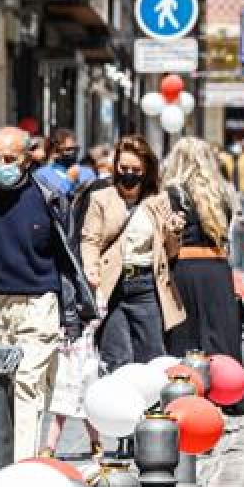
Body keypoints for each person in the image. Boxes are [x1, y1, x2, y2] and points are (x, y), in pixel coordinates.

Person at [0, 126, 96, 460]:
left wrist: (72, 316)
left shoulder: (50, 198)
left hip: (38, 303)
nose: (2, 165)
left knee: (27, 384)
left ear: (27, 160)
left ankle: (20, 468)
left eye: (10, 158)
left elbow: (69, 258)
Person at [163, 138, 244, 414]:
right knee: (219, 335)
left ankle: (189, 396)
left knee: (186, 336)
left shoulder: (172, 193)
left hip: (185, 268)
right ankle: (228, 394)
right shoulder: (221, 193)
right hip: (217, 268)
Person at [81, 135, 186, 373]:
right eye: (123, 167)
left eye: (135, 169)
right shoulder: (102, 198)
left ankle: (150, 409)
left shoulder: (159, 201)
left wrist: (174, 232)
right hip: (112, 286)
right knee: (117, 357)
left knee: (151, 356)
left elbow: (171, 252)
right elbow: (90, 239)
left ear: (146, 170)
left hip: (147, 286)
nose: (129, 173)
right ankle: (119, 409)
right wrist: (91, 267)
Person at [34, 128, 82, 196]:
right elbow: (52, 199)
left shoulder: (85, 171)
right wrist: (69, 180)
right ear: (55, 151)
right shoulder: (42, 174)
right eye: (68, 149)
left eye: (76, 149)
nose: (73, 153)